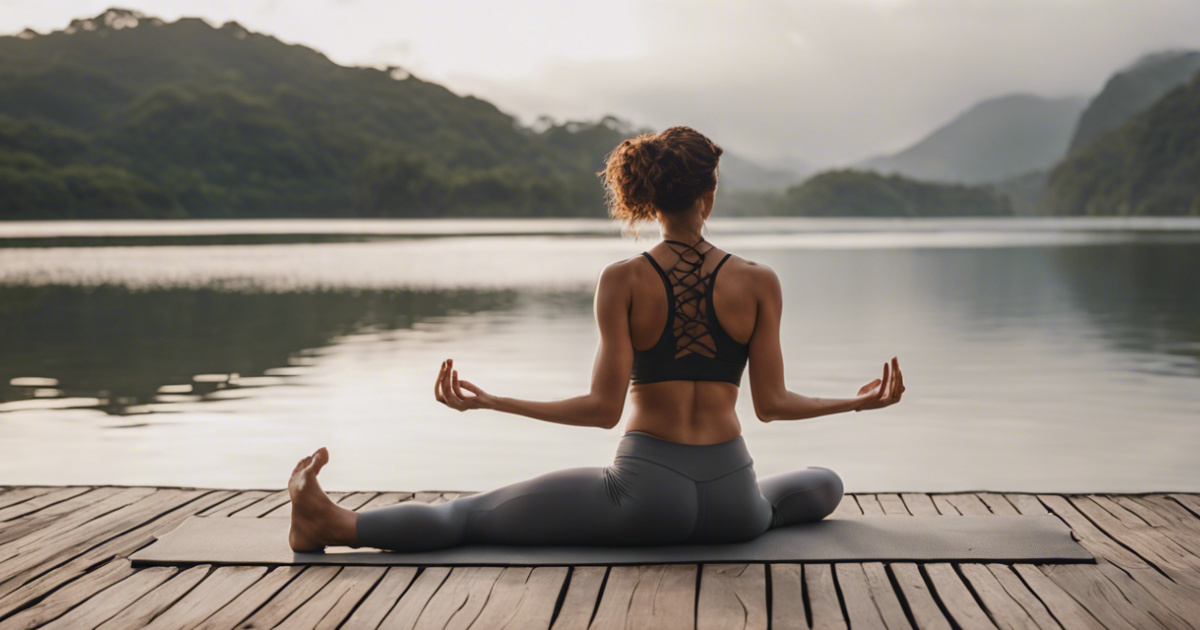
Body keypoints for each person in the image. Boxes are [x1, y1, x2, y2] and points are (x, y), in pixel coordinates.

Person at [287, 126, 904, 553]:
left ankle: (333, 524)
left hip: (643, 499)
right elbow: (772, 406)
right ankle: (758, 504)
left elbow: (602, 411)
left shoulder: (624, 280)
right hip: (733, 506)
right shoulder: (759, 281)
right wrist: (858, 401)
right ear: (709, 195)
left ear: (651, 199)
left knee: (469, 514)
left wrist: (493, 401)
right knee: (821, 481)